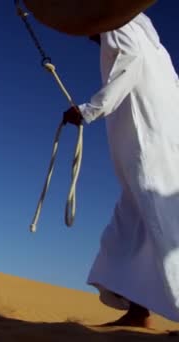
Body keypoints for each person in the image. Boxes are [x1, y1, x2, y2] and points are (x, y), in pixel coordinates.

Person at [63, 13, 179, 327]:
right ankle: (139, 312)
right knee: (132, 229)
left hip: (149, 146)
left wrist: (88, 110)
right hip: (163, 145)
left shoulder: (118, 26)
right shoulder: (159, 50)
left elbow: (128, 63)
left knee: (161, 223)